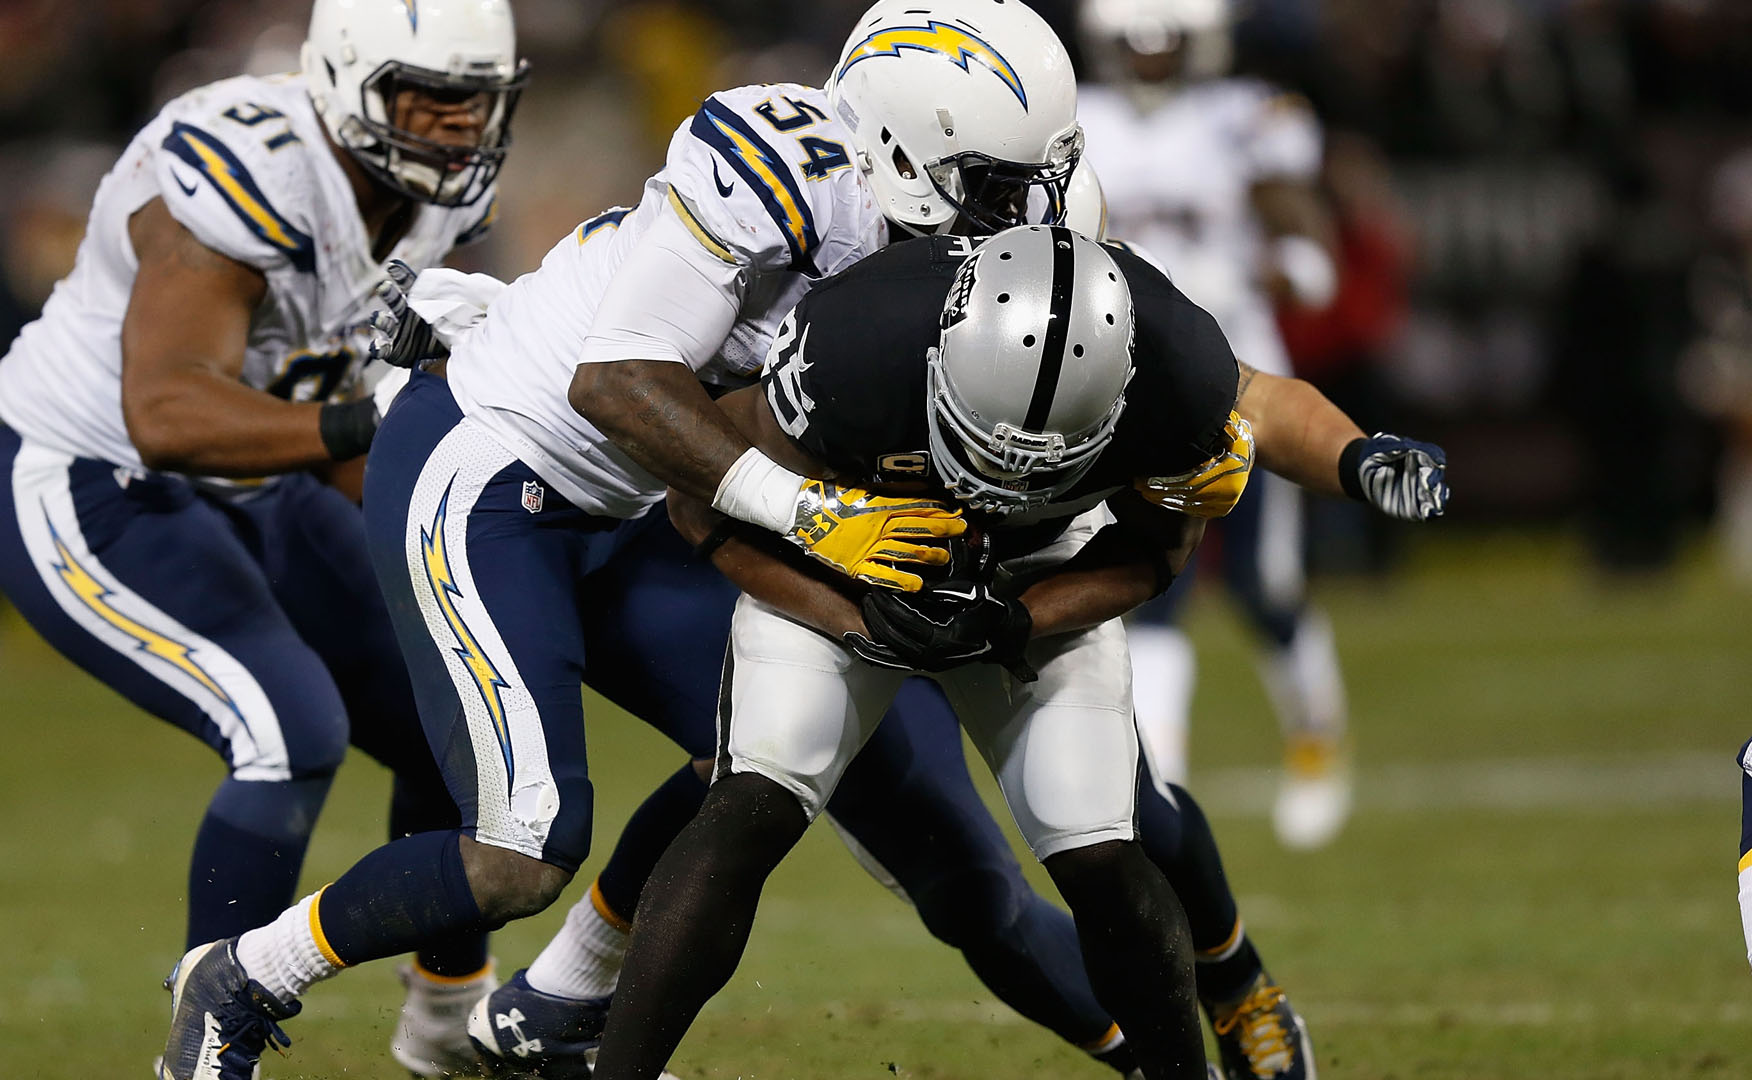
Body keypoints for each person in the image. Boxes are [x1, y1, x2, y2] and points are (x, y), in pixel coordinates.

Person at [159, 3, 1249, 1078]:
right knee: (523, 850)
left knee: (759, 764)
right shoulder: (776, 166)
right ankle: (247, 975)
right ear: (897, 150)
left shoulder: (986, 218)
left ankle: (560, 1006)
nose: (1027, 206)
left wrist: (1207, 437)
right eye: (996, 181)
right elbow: (617, 383)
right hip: (500, 471)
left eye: (1043, 171)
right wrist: (818, 518)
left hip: (657, 499)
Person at [590, 222, 1449, 1080]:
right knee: (751, 807)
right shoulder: (861, 341)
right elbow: (699, 505)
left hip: (1044, 570)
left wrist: (1019, 621)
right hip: (846, 562)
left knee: (1102, 847)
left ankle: (1217, 1017)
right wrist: (848, 615)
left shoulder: (1174, 368)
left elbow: (1158, 553)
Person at [0, 0, 530, 1074]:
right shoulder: (251, 164)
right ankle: (210, 1048)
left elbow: (327, 406)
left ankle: (450, 1025)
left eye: (479, 102)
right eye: (431, 99)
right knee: (288, 726)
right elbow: (167, 413)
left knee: (463, 713)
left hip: (262, 478)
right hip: (91, 479)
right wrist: (384, 422)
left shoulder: (426, 197)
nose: (460, 128)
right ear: (350, 83)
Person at [1075, 0, 1368, 849]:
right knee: (1147, 590)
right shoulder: (1078, 118)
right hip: (1123, 383)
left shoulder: (1246, 116)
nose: (1150, 58)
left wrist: (1275, 269)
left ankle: (1317, 741)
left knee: (1265, 587)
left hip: (1242, 380)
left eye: (1165, 43)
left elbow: (1306, 240)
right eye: (1135, 43)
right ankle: (1163, 781)